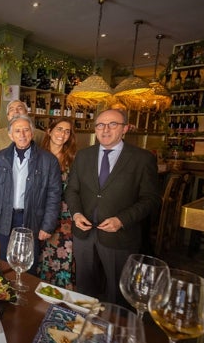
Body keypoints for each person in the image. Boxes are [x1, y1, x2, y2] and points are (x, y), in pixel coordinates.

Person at [65, 109, 161, 304]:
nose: (105, 129)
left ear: (124, 128)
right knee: (84, 288)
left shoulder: (142, 159)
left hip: (119, 236)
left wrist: (121, 220)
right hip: (84, 233)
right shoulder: (83, 156)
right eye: (100, 125)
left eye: (113, 124)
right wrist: (75, 214)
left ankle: (114, 332)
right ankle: (85, 328)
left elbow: (151, 199)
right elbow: (71, 190)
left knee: (118, 293)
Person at [0, 115, 61, 274]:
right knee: (5, 260)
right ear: (10, 135)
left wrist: (47, 225)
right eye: (17, 131)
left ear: (32, 133)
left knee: (28, 262)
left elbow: (54, 195)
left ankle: (26, 296)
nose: (22, 134)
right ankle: (6, 294)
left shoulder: (48, 160)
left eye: (26, 130)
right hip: (5, 216)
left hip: (32, 217)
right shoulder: (0, 157)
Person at [36, 118, 77, 289]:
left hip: (65, 218)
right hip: (40, 213)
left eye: (67, 131)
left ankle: (60, 298)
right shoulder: (37, 155)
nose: (62, 134)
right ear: (49, 131)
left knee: (63, 257)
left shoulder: (73, 159)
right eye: (59, 129)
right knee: (40, 256)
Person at [0, 100, 45, 175]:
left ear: (26, 113)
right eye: (12, 109)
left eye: (20, 108)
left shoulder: (41, 135)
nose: (16, 111)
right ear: (8, 116)